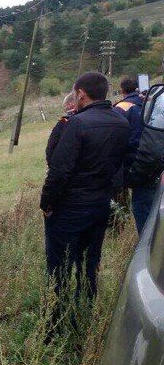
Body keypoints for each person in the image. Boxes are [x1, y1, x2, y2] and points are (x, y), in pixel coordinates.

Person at [40, 72, 130, 335]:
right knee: (89, 265)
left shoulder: (77, 124)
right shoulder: (121, 122)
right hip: (100, 206)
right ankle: (85, 318)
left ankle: (54, 327)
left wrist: (47, 203)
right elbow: (118, 169)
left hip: (69, 208)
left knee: (59, 269)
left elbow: (60, 170)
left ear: (81, 94)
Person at [116, 77, 153, 233]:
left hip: (131, 162)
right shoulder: (150, 102)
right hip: (153, 159)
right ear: (137, 88)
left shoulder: (121, 107)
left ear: (122, 91)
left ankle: (144, 243)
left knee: (136, 203)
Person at [126, 85, 164, 226]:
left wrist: (134, 178)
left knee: (150, 238)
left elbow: (152, 151)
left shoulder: (160, 100)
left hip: (151, 181)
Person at [45, 92, 78, 167]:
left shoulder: (64, 122)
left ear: (71, 104)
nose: (65, 109)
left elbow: (51, 148)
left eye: (66, 106)